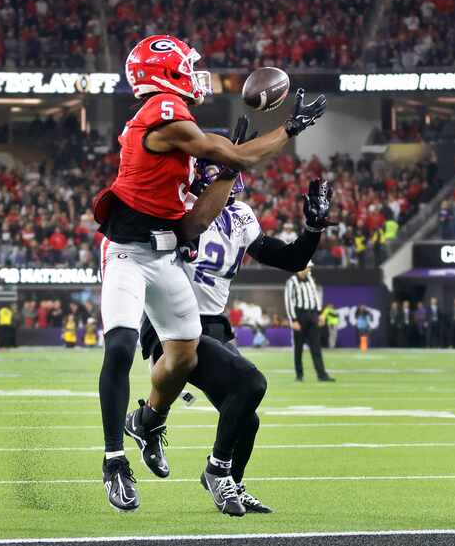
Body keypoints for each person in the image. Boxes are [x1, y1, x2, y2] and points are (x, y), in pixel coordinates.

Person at [94, 34, 326, 512]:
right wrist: (289, 128)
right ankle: (114, 461)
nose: (194, 75)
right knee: (118, 346)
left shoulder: (225, 202)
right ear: (167, 72)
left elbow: (195, 223)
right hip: (127, 253)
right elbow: (238, 157)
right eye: (186, 67)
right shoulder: (161, 110)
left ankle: (152, 422)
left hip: (165, 259)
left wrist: (226, 172)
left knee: (184, 358)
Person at [139, 169, 333, 516]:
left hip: (212, 326)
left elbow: (290, 259)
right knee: (251, 382)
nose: (229, 190)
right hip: (171, 325)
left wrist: (313, 230)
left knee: (248, 418)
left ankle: (233, 483)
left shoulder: (240, 216)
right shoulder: (177, 208)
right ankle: (215, 469)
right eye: (221, 182)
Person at [285, 263, 335, 382]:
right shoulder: (291, 281)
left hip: (312, 315)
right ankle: (299, 375)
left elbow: (315, 298)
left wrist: (319, 315)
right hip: (300, 315)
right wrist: (294, 320)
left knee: (316, 347)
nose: (309, 269)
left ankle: (321, 374)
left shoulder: (311, 280)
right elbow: (289, 302)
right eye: (308, 267)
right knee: (298, 348)